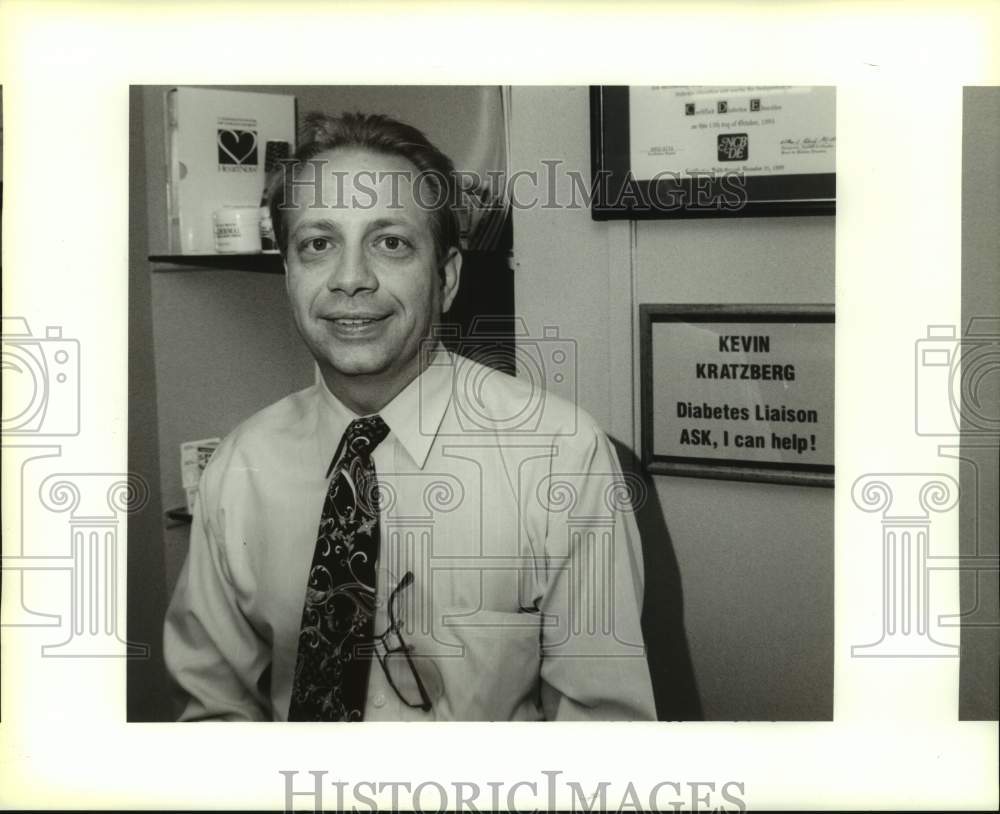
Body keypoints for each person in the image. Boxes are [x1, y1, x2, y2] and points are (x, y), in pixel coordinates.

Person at [163, 111, 657, 721]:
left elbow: (604, 739)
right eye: (318, 245)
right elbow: (213, 710)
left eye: (391, 243)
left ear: (446, 278)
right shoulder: (243, 465)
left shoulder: (561, 455)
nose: (350, 280)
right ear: (288, 274)